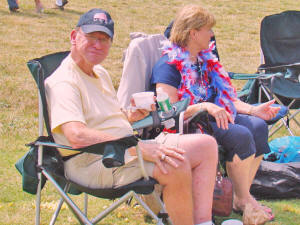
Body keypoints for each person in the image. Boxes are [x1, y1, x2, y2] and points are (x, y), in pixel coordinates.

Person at [45, 8, 218, 225]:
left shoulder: (101, 73)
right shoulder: (64, 82)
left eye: (104, 39)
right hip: (94, 161)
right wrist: (137, 148)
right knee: (175, 163)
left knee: (206, 146)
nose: (98, 44)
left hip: (127, 148)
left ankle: (203, 222)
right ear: (74, 37)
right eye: (91, 37)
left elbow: (109, 121)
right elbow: (77, 136)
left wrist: (131, 116)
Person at [151, 4, 279, 221]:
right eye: (208, 30)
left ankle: (240, 197)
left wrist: (253, 110)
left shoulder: (205, 61)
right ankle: (245, 199)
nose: (212, 35)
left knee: (257, 127)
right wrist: (204, 106)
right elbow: (168, 113)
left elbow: (225, 98)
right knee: (240, 135)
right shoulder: (168, 66)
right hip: (191, 124)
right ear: (193, 33)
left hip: (215, 116)